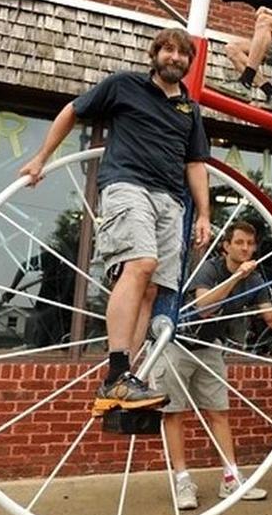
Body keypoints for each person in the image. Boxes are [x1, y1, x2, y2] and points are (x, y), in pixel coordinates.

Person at [19, 27, 212, 415]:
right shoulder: (124, 85)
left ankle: (128, 383)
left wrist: (204, 213)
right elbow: (73, 111)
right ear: (155, 54)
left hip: (171, 201)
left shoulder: (190, 110)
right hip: (128, 185)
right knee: (139, 265)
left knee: (151, 290)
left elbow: (195, 163)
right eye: (168, 50)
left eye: (182, 53)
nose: (174, 57)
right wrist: (41, 158)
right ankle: (116, 373)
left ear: (189, 62)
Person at [155, 221, 272, 508]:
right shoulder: (211, 269)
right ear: (226, 246)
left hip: (209, 349)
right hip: (177, 346)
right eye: (239, 242)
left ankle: (230, 479)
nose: (245, 248)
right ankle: (182, 481)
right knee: (175, 413)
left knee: (219, 412)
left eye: (249, 244)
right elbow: (204, 307)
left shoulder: (254, 279)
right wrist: (235, 279)